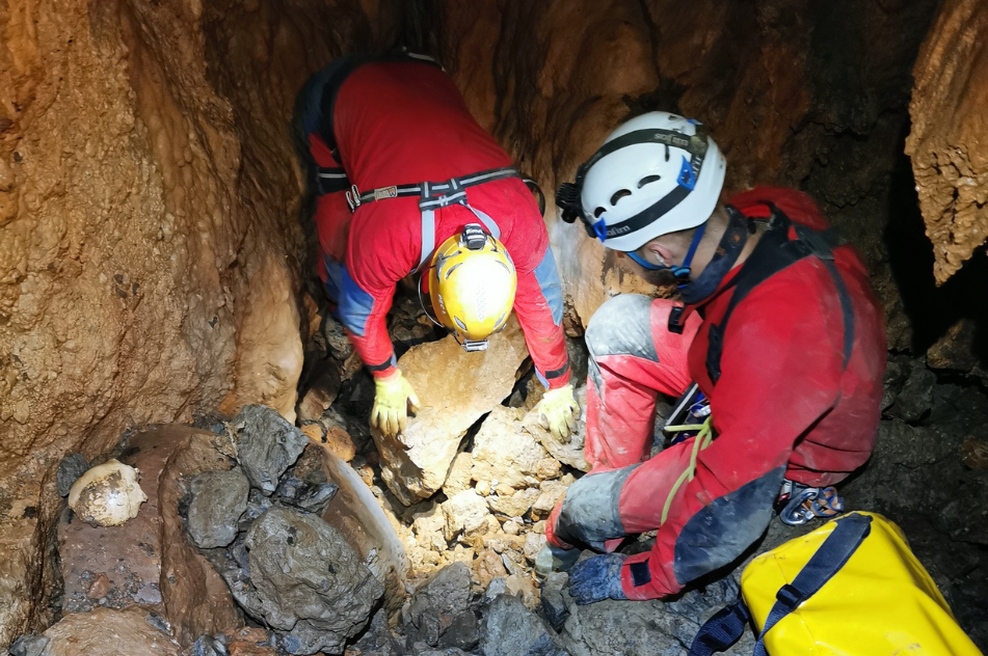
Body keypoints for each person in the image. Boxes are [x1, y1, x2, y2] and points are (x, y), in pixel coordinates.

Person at [539, 111, 887, 603]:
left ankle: (602, 513)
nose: (622, 260)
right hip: (753, 366)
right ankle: (616, 475)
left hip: (787, 443)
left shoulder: (775, 338)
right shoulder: (766, 209)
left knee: (580, 507)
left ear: (659, 254)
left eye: (627, 251)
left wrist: (640, 577)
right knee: (616, 325)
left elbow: (728, 511)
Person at [291, 52, 579, 439]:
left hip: (428, 73)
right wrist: (385, 375)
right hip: (338, 90)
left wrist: (559, 384)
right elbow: (360, 312)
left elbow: (541, 301)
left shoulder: (519, 219)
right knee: (337, 222)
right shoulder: (387, 237)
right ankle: (327, 300)